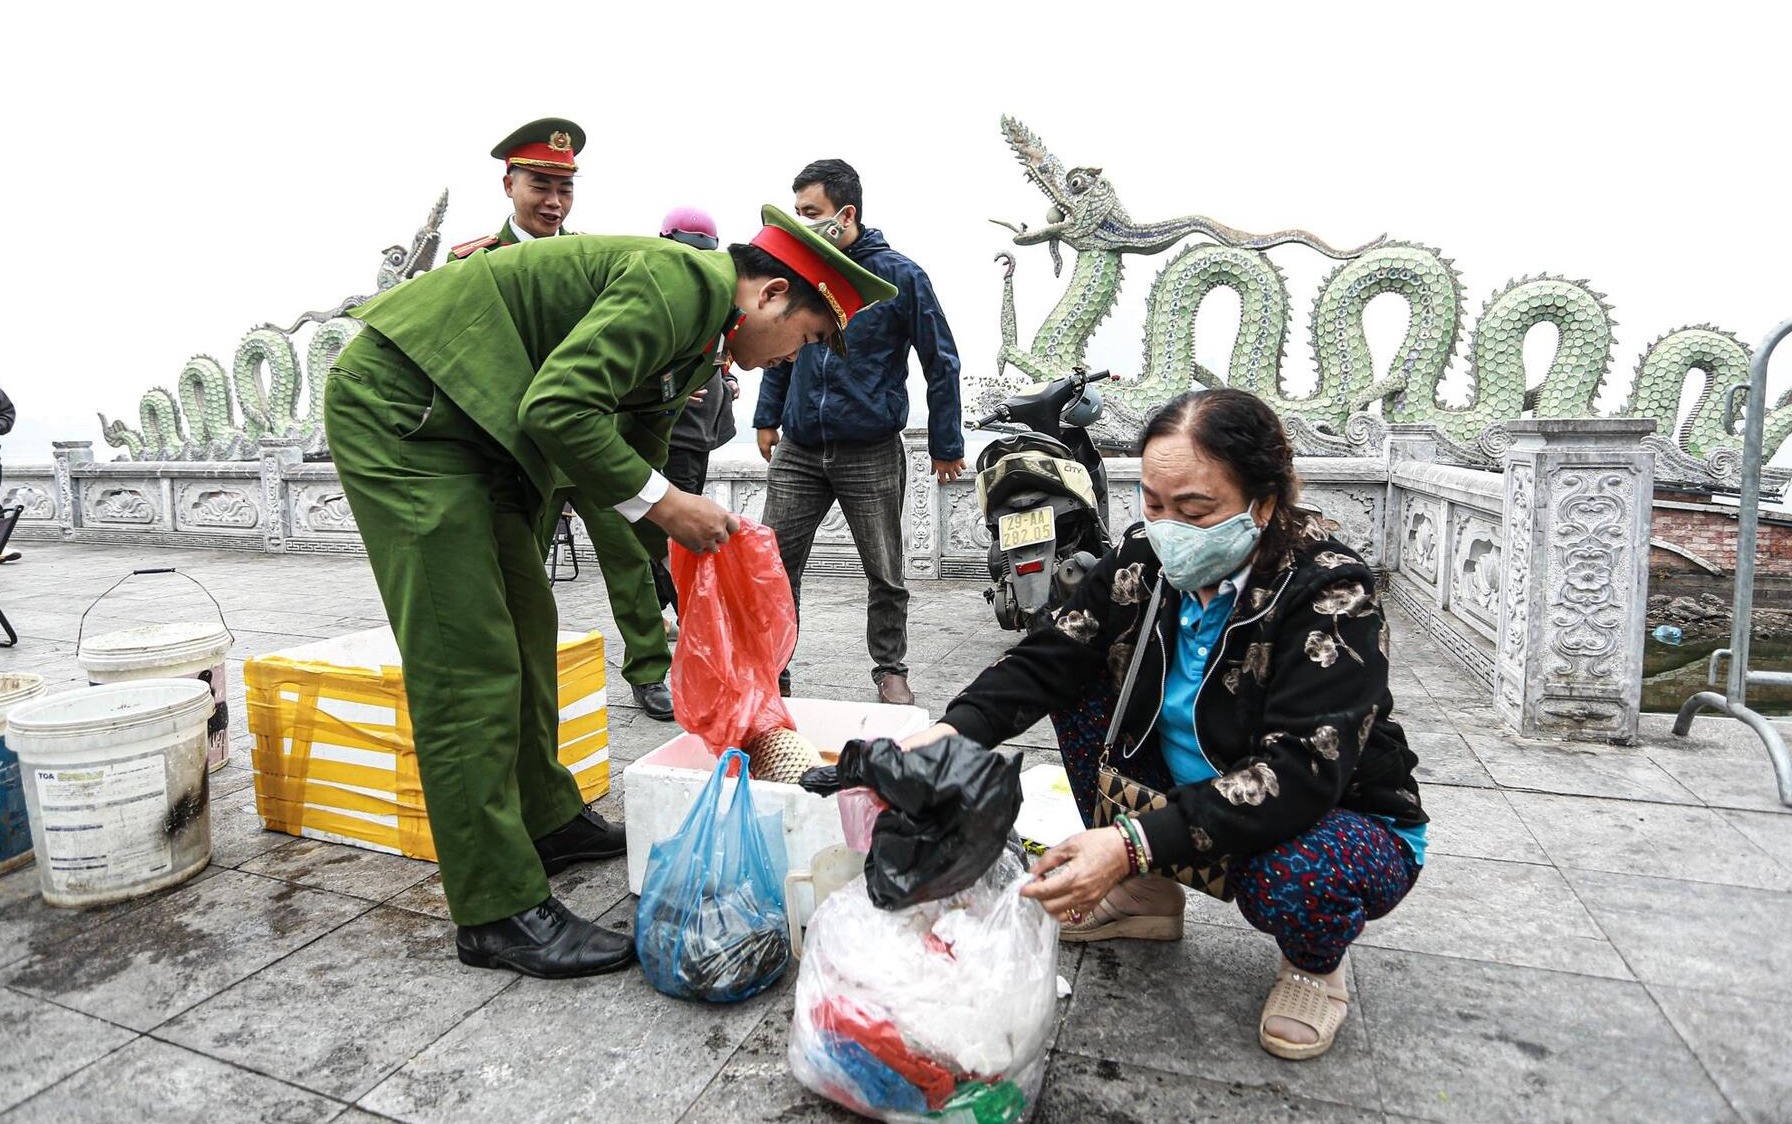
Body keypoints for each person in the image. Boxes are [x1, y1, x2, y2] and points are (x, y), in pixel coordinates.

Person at [325, 205, 896, 979]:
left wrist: (689, 572)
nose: (793, 358)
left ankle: (546, 819)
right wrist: (667, 506)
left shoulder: (702, 342)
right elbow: (558, 409)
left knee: (528, 626)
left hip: (481, 433)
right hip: (412, 412)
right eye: (808, 337)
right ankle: (495, 909)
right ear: (768, 297)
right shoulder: (678, 285)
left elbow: (629, 456)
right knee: (467, 660)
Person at [906, 388, 1427, 1060]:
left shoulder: (1328, 593)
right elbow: (1049, 659)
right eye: (1153, 503)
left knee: (1300, 877)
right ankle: (1146, 895)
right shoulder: (1144, 563)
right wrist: (949, 733)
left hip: (1325, 815)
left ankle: (1313, 966)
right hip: (1184, 791)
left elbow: (1302, 771)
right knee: (1078, 681)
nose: (1169, 527)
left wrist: (1125, 842)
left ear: (1262, 503)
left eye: (1195, 509)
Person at [445, 117, 677, 720]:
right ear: (508, 185)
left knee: (629, 562)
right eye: (539, 185)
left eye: (564, 189)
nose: (553, 202)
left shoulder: (595, 262)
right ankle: (524, 678)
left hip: (595, 445)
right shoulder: (474, 263)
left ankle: (651, 670)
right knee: (517, 571)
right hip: (519, 453)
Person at [754, 159, 965, 706]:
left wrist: (947, 444)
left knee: (884, 570)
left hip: (869, 449)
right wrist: (767, 416)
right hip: (800, 449)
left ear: (846, 214)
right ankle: (772, 672)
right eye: (796, 212)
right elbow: (780, 347)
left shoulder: (900, 277)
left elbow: (940, 360)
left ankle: (890, 667)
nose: (800, 223)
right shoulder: (801, 271)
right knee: (774, 567)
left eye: (811, 213)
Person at [646, 206, 740, 635]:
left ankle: (671, 611)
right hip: (670, 432)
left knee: (678, 526)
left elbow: (720, 354)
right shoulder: (655, 295)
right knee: (668, 530)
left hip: (699, 433)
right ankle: (680, 612)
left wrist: (728, 378)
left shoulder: (716, 297)